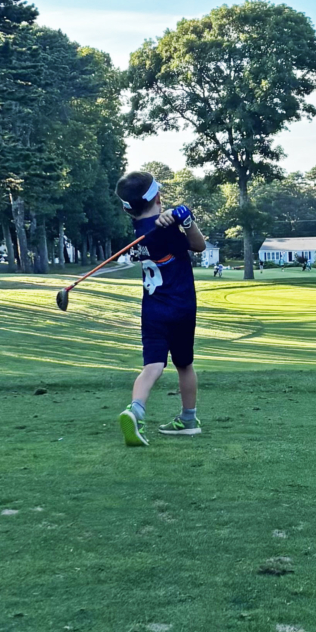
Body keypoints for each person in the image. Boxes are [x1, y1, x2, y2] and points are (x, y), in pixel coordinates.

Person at [114, 171, 207, 447]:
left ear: (126, 209)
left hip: (153, 310)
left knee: (152, 365)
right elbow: (199, 245)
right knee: (184, 364)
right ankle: (188, 419)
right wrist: (185, 220)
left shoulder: (139, 233)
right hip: (182, 307)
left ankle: (136, 409)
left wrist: (167, 219)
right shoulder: (163, 229)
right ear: (158, 196)